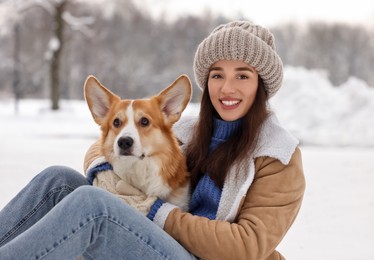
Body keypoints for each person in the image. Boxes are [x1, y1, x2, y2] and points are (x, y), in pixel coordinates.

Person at [0, 20, 305, 260]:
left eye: (242, 76)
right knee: (60, 180)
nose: (227, 88)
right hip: (162, 244)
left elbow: (245, 248)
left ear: (261, 85)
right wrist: (104, 172)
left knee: (93, 205)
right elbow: (109, 141)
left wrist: (152, 209)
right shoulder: (186, 131)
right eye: (217, 75)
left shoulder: (278, 155)